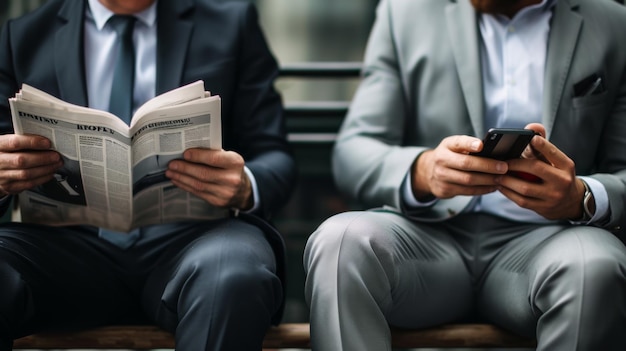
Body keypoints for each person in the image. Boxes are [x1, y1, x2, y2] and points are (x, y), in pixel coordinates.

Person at [303, 0, 626, 350]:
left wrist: (581, 197)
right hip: (427, 243)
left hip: (548, 243)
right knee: (341, 242)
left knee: (594, 266)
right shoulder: (404, 12)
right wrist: (423, 171)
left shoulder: (613, 23)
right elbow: (354, 150)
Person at [0, 0, 296, 350]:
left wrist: (246, 184)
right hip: (62, 252)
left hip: (194, 240)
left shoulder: (231, 23)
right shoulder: (23, 36)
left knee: (234, 274)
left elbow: (275, 153)